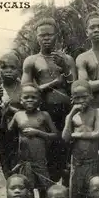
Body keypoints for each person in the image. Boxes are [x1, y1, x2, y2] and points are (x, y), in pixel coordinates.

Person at [22, 18, 77, 184]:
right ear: (37, 37)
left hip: (66, 114)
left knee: (66, 158)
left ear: (56, 36)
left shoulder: (67, 59)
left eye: (49, 35)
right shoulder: (31, 60)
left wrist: (66, 69)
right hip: (44, 115)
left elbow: (75, 86)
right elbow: (26, 89)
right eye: (42, 35)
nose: (46, 38)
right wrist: (53, 83)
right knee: (47, 159)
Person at [9, 84, 59, 198]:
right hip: (25, 161)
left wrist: (38, 133)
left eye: (33, 97)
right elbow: (9, 131)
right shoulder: (18, 115)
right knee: (28, 194)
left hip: (40, 161)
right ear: (21, 100)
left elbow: (55, 135)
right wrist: (5, 111)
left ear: (40, 100)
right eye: (26, 97)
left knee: (45, 194)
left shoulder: (44, 115)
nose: (30, 100)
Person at [62, 80, 99, 198]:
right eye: (77, 98)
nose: (81, 101)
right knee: (75, 195)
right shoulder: (72, 116)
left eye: (84, 97)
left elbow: (96, 134)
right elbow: (65, 137)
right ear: (72, 99)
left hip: (92, 161)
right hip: (77, 162)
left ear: (91, 95)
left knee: (94, 193)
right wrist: (70, 116)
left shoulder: (97, 112)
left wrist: (76, 135)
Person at [0, 53, 22, 179]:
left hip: (21, 137)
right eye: (4, 67)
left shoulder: (24, 89)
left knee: (22, 177)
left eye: (12, 68)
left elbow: (29, 114)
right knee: (9, 176)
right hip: (3, 137)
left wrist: (10, 109)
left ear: (19, 70)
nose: (8, 71)